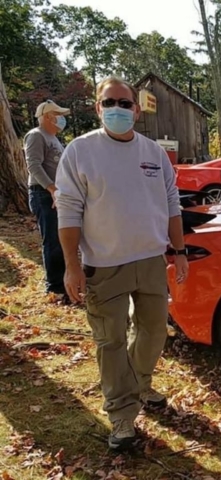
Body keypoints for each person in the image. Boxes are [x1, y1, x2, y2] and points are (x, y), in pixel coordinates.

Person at [55, 76, 189, 450]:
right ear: (98, 108)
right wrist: (72, 265)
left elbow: (171, 205)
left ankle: (140, 385)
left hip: (149, 260)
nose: (118, 109)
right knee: (110, 341)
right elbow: (68, 212)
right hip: (104, 264)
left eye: (125, 103)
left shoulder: (153, 153)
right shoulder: (80, 152)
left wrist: (179, 251)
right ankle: (122, 416)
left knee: (155, 332)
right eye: (109, 102)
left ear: (137, 109)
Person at [24, 100, 70, 300]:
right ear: (47, 117)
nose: (61, 118)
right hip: (43, 194)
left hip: (56, 194)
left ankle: (63, 280)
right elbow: (33, 165)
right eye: (57, 114)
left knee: (62, 239)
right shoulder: (36, 135)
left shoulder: (54, 138)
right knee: (52, 240)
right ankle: (55, 286)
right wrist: (52, 189)